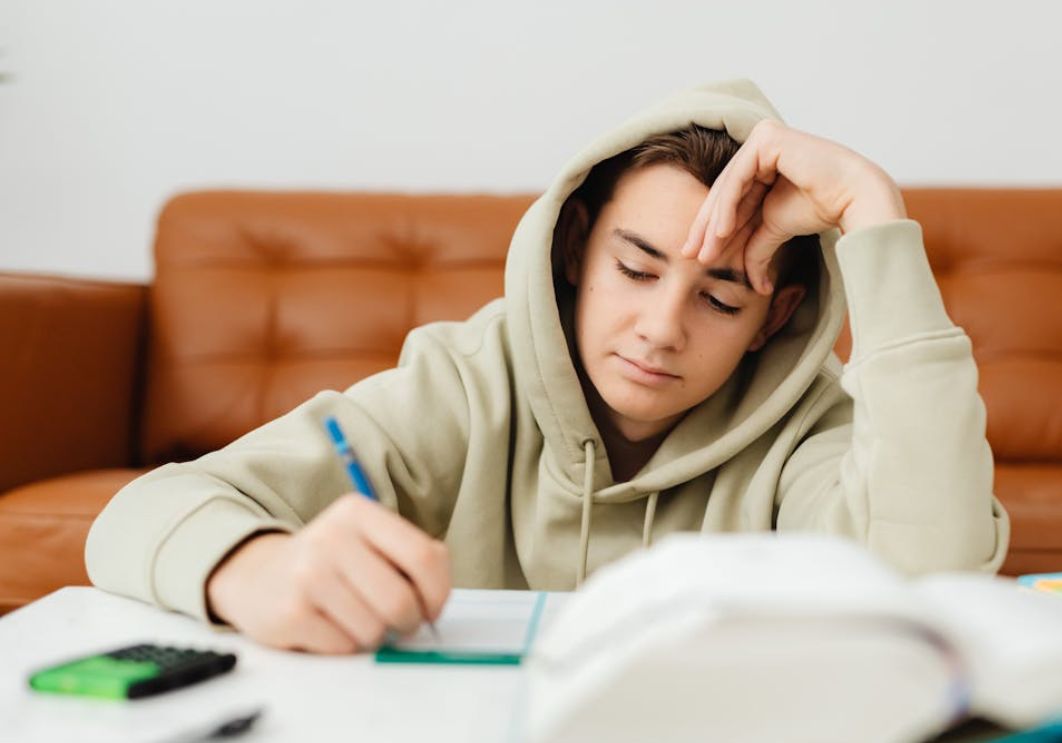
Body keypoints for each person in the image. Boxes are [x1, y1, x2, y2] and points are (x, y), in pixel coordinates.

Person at [86, 80, 1009, 654]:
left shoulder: (811, 426)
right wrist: (254, 566)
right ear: (572, 253)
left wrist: (875, 220)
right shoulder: (462, 380)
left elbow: (929, 574)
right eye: (635, 268)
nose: (659, 329)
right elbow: (139, 514)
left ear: (776, 320)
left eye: (720, 299)